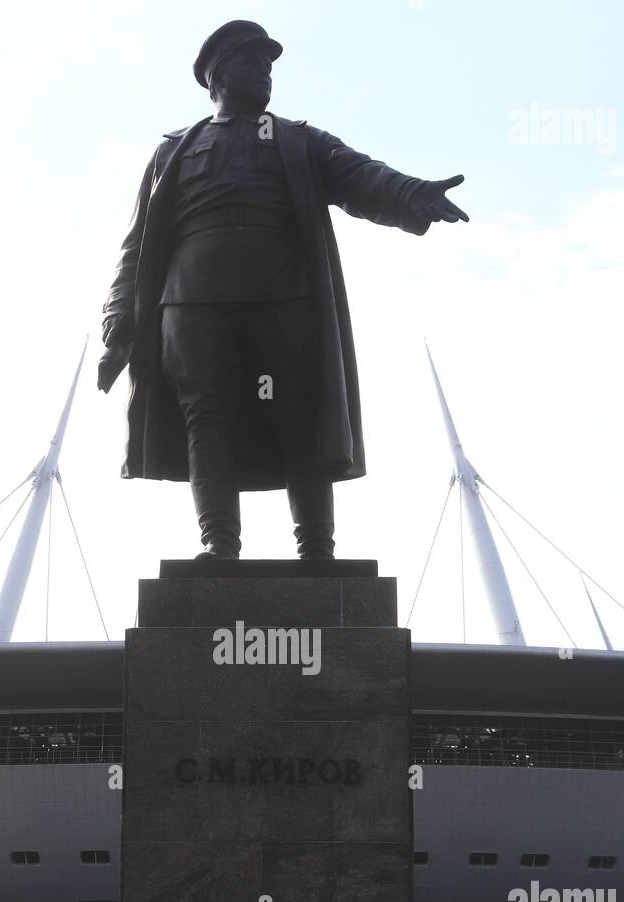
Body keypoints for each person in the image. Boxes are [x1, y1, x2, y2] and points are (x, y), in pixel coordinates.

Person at [98, 20, 468, 560]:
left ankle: (316, 546)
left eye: (270, 66)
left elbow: (360, 175)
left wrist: (413, 193)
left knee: (297, 409)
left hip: (283, 297)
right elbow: (135, 247)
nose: (266, 74)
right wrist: (117, 328)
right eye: (253, 63)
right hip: (192, 303)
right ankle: (220, 543)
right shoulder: (173, 152)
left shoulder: (297, 140)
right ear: (218, 75)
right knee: (208, 415)